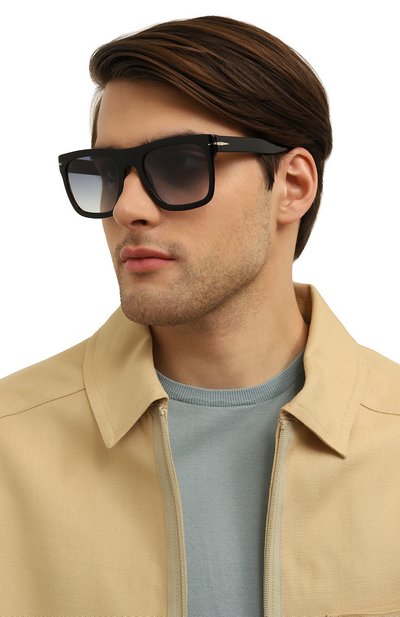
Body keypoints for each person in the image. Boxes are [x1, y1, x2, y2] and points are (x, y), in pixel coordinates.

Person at [1, 14, 399, 617]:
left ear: (292, 185)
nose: (127, 208)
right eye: (107, 173)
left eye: (181, 164)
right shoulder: (10, 447)